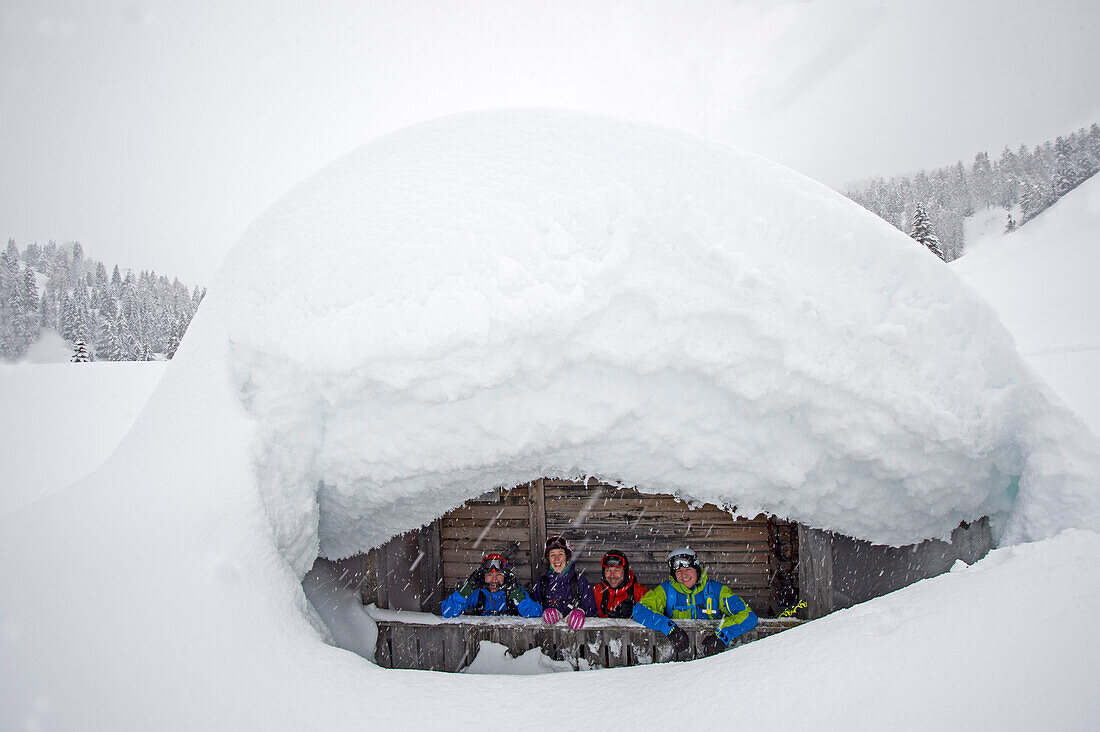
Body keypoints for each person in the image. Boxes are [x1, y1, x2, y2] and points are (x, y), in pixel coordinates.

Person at [632, 546, 758, 659]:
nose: (683, 575)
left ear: (696, 570)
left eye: (688, 569)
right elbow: (640, 611)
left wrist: (722, 636)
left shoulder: (716, 591)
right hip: (675, 660)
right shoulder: (665, 591)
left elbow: (748, 616)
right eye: (678, 571)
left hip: (713, 659)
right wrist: (670, 629)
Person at [441, 552, 541, 618]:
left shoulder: (515, 591)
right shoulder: (475, 593)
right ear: (483, 576)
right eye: (489, 575)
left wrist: (518, 597)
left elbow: (535, 613)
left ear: (505, 576)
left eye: (499, 575)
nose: (494, 580)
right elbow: (448, 612)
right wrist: (465, 590)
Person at [529, 535, 597, 629]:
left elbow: (592, 611)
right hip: (549, 638)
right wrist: (544, 613)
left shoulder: (580, 581)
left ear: (566, 557)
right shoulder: (541, 584)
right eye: (552, 555)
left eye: (560, 554)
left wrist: (581, 612)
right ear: (548, 559)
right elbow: (532, 613)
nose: (557, 559)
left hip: (578, 638)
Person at [591, 550, 647, 619]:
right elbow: (592, 620)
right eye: (608, 570)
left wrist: (633, 615)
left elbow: (649, 618)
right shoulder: (597, 592)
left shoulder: (639, 592)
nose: (612, 576)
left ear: (625, 571)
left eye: (616, 570)